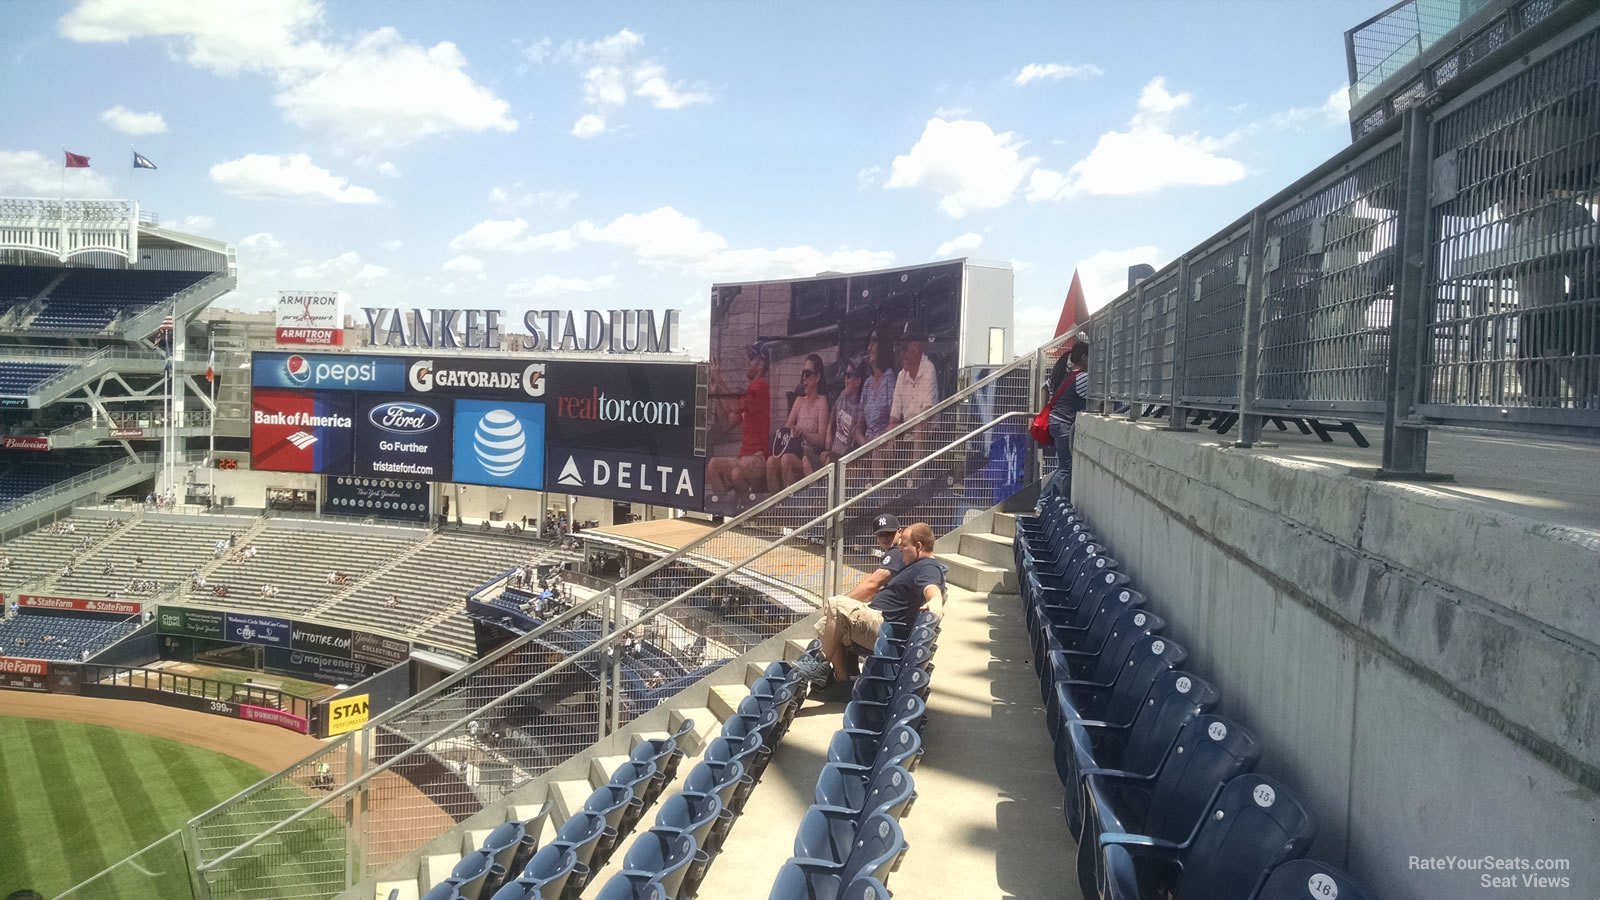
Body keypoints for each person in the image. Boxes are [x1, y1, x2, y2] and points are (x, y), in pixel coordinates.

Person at [798, 522, 946, 687]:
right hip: (881, 622)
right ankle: (844, 682)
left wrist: (935, 600)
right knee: (825, 624)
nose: (900, 549)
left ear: (918, 546)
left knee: (836, 604)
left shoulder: (928, 567)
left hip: (885, 629)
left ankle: (821, 663)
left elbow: (931, 586)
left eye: (904, 545)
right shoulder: (915, 565)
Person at [706, 342, 774, 502]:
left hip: (758, 458)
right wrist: (716, 395)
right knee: (713, 465)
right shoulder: (751, 393)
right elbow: (726, 425)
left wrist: (718, 378)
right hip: (743, 458)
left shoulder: (760, 386)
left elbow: (735, 405)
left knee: (737, 473)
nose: (747, 363)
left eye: (751, 359)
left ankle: (746, 513)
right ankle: (722, 510)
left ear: (761, 364)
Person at [768, 353, 830, 490]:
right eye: (803, 373)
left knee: (786, 460)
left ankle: (792, 506)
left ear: (817, 377)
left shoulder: (822, 402)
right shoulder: (799, 401)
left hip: (809, 455)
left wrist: (803, 433)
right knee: (771, 461)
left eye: (807, 373)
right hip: (794, 451)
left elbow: (822, 439)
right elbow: (786, 429)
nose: (803, 378)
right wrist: (791, 430)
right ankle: (774, 507)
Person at [1044, 340, 1091, 499]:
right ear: (1084, 357)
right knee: (1066, 467)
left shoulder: (1069, 374)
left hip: (1056, 421)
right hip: (1063, 423)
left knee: (1064, 465)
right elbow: (1096, 400)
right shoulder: (1083, 377)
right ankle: (1043, 502)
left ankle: (1052, 500)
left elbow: (1047, 387)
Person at [822, 359, 866, 465]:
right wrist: (828, 431)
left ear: (858, 381)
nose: (845, 379)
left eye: (849, 375)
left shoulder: (860, 408)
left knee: (827, 461)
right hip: (832, 452)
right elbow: (833, 411)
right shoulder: (842, 396)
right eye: (845, 375)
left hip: (846, 459)